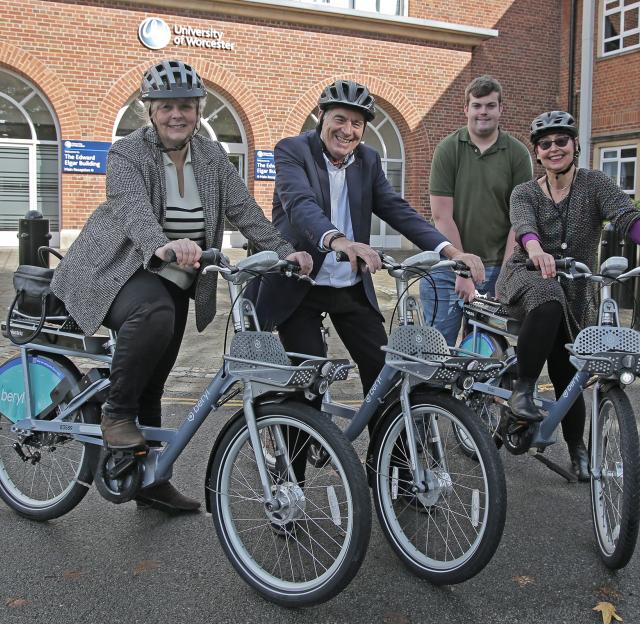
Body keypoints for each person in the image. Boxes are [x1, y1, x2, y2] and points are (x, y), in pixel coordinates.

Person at [51, 60, 311, 513]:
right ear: (149, 111)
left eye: (187, 107)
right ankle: (115, 412)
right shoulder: (127, 153)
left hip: (174, 276)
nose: (177, 115)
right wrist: (165, 246)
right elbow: (133, 213)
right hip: (118, 269)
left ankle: (151, 482)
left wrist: (284, 250)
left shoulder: (211, 156)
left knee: (156, 380)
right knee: (155, 315)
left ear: (197, 111)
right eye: (167, 106)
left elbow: (244, 210)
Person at [253, 79, 484, 414]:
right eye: (340, 120)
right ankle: (289, 468)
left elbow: (398, 211)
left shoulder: (368, 160)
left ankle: (387, 464)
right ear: (321, 116)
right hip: (299, 287)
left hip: (349, 286)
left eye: (357, 123)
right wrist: (340, 241)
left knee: (384, 378)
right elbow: (300, 205)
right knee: (308, 389)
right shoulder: (292, 150)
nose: (348, 131)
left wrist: (452, 252)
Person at [496, 110, 640, 481]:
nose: (554, 148)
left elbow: (626, 216)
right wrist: (535, 249)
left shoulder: (595, 184)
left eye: (562, 141)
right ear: (538, 154)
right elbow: (524, 226)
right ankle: (522, 392)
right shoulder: (525, 191)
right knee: (546, 293)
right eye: (546, 144)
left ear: (575, 145)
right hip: (526, 275)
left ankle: (577, 449)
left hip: (577, 290)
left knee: (569, 374)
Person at [420, 75, 533, 346]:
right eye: (477, 105)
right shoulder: (448, 149)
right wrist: (462, 269)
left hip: (496, 268)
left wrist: (506, 275)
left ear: (500, 109)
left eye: (490, 106)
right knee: (438, 352)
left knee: (486, 356)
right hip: (448, 266)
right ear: (466, 109)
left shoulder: (517, 154)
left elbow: (518, 220)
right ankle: (435, 389)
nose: (483, 111)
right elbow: (441, 216)